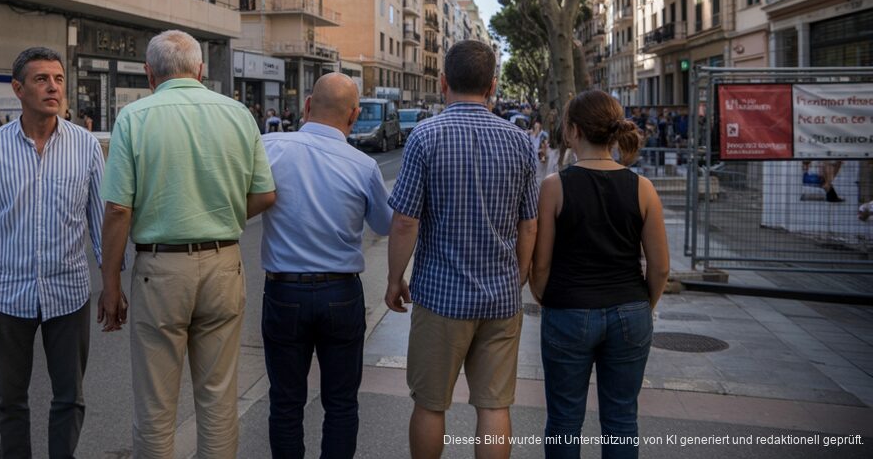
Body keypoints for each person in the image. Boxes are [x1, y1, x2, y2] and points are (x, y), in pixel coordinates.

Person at [98, 30, 277, 459]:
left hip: (160, 271)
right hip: (223, 265)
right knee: (218, 397)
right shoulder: (237, 114)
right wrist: (225, 215)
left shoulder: (135, 118)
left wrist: (110, 285)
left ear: (149, 74)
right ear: (200, 70)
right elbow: (266, 194)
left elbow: (118, 210)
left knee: (156, 404)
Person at [385, 40, 538, 459]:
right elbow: (529, 224)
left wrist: (394, 279)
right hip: (500, 298)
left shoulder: (425, 136)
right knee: (494, 405)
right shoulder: (521, 141)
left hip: (439, 297)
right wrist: (517, 277)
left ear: (443, 82)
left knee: (431, 404)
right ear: (492, 85)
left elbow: (405, 220)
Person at [0, 47, 105, 459]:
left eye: (58, 79)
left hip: (69, 296)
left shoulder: (86, 147)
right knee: (9, 400)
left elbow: (100, 224)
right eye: (42, 79)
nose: (53, 87)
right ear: (18, 89)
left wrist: (112, 285)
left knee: (69, 397)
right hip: (7, 298)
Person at [530, 90, 670, 458]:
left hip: (568, 310)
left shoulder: (554, 186)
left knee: (563, 421)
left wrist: (545, 295)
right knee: (622, 419)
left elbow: (540, 264)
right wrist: (645, 303)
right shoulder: (643, 188)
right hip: (630, 311)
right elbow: (660, 266)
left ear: (573, 131)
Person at [260, 73, 393, 459]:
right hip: (340, 293)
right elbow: (385, 225)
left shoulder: (269, 146)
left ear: (306, 106)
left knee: (285, 403)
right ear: (353, 117)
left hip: (283, 290)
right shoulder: (364, 165)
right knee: (341, 403)